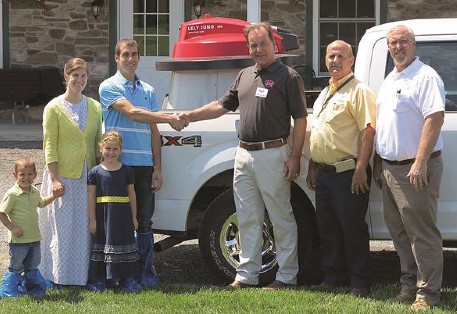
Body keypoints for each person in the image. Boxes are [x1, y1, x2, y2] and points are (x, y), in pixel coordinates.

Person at [179, 23, 308, 290]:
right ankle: (246, 275)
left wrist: (294, 157)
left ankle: (286, 277)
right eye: (253, 45)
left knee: (280, 216)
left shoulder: (289, 76)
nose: (258, 49)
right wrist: (190, 116)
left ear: (274, 44)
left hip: (273, 154)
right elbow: (220, 106)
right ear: (248, 48)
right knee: (247, 216)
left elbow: (301, 119)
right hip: (244, 154)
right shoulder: (244, 75)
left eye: (263, 43)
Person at [99, 38, 186, 287]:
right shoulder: (109, 86)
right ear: (116, 58)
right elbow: (132, 113)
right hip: (118, 166)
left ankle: (145, 273)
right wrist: (169, 117)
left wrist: (157, 167)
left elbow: (153, 130)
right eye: (125, 54)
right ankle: (117, 275)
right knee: (118, 219)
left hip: (144, 166)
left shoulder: (148, 90)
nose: (131, 59)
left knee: (145, 221)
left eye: (135, 54)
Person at [373, 25, 445, 311]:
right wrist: (379, 160)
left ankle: (428, 294)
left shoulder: (425, 76)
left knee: (422, 233)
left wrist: (420, 161)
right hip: (390, 169)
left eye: (403, 42)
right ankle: (408, 286)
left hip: (414, 169)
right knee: (400, 233)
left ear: (414, 45)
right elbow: (387, 124)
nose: (398, 47)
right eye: (393, 43)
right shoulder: (392, 78)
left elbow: (435, 118)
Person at [305, 40, 376, 297]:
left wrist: (360, 169)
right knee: (328, 229)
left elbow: (367, 131)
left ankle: (359, 282)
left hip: (348, 173)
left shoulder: (359, 91)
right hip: (325, 173)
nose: (335, 60)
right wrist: (313, 165)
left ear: (351, 60)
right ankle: (333, 277)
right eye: (331, 56)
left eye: (340, 56)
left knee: (352, 229)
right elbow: (321, 133)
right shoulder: (325, 93)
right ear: (325, 60)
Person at [38, 57, 103, 287]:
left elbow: (98, 142)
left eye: (84, 76)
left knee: (85, 228)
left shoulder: (94, 106)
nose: (80, 80)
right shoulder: (54, 107)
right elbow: (49, 145)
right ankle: (58, 276)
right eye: (75, 75)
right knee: (62, 229)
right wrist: (54, 178)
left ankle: (82, 276)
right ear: (66, 77)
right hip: (63, 176)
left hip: (88, 175)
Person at [0, 157, 61, 298]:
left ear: (35, 175)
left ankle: (32, 288)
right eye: (22, 174)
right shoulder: (12, 194)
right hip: (18, 240)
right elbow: (1, 213)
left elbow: (42, 203)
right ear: (15, 175)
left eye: (30, 174)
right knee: (16, 266)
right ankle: (10, 290)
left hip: (34, 237)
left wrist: (54, 196)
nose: (26, 178)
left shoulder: (34, 191)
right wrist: (12, 228)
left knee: (33, 265)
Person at [86, 130, 142, 292]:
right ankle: (100, 278)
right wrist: (93, 220)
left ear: (120, 150)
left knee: (124, 243)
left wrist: (134, 217)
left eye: (115, 149)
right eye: (108, 149)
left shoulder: (127, 171)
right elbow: (91, 196)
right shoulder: (95, 172)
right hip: (103, 216)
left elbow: (132, 194)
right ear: (101, 149)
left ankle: (127, 278)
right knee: (103, 244)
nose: (111, 152)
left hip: (122, 216)